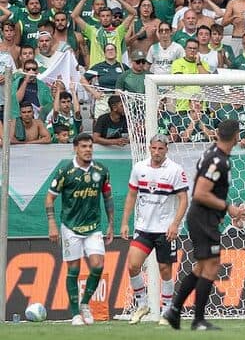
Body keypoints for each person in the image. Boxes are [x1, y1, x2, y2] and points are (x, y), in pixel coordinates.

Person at [163, 120, 245, 331]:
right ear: (237, 136)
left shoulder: (214, 153)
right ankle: (197, 320)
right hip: (203, 218)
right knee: (211, 266)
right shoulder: (217, 160)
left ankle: (174, 311)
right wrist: (228, 208)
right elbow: (200, 193)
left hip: (204, 218)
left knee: (202, 267)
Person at [45, 132, 114, 326]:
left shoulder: (101, 170)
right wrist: (52, 224)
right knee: (73, 270)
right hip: (70, 227)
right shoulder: (65, 172)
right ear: (75, 148)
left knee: (98, 265)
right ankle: (75, 314)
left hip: (93, 227)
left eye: (90, 146)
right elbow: (49, 197)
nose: (88, 150)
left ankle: (85, 304)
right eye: (84, 146)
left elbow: (107, 197)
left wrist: (111, 224)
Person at [121, 134, 189, 325]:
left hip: (165, 229)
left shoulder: (175, 170)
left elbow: (184, 199)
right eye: (154, 148)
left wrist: (175, 224)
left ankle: (167, 310)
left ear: (166, 149)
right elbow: (131, 195)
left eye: (160, 149)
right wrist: (125, 222)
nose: (157, 152)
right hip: (143, 228)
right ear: (149, 148)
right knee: (133, 265)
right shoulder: (139, 168)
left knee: (165, 270)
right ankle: (142, 304)